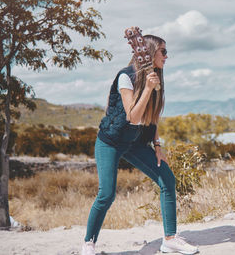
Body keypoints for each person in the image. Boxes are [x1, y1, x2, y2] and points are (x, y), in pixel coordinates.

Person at [81, 29, 198, 255]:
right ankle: (88, 243)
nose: (167, 56)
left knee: (167, 180)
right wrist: (147, 89)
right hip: (111, 141)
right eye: (163, 51)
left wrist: (157, 147)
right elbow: (133, 116)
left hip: (135, 143)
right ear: (150, 52)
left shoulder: (155, 78)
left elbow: (151, 117)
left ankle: (170, 239)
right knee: (107, 194)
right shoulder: (126, 76)